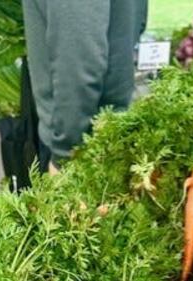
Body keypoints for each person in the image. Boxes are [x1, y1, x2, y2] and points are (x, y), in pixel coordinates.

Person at [21, 0, 148, 174]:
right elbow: (138, 20)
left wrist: (63, 156)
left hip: (79, 147)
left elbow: (79, 63)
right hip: (107, 135)